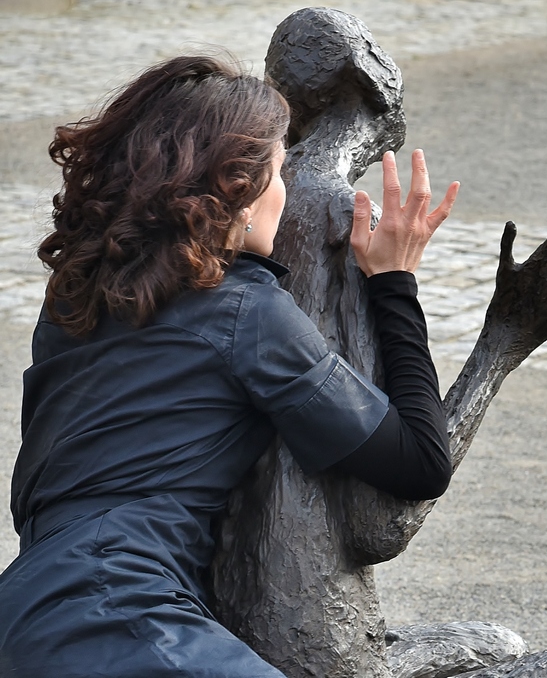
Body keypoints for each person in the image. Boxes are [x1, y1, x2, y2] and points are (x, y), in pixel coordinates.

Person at [0, 55, 459, 677]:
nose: (285, 192)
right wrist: (395, 282)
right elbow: (420, 462)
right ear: (238, 192)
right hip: (120, 612)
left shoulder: (72, 299)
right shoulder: (246, 313)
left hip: (23, 614)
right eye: (278, 172)